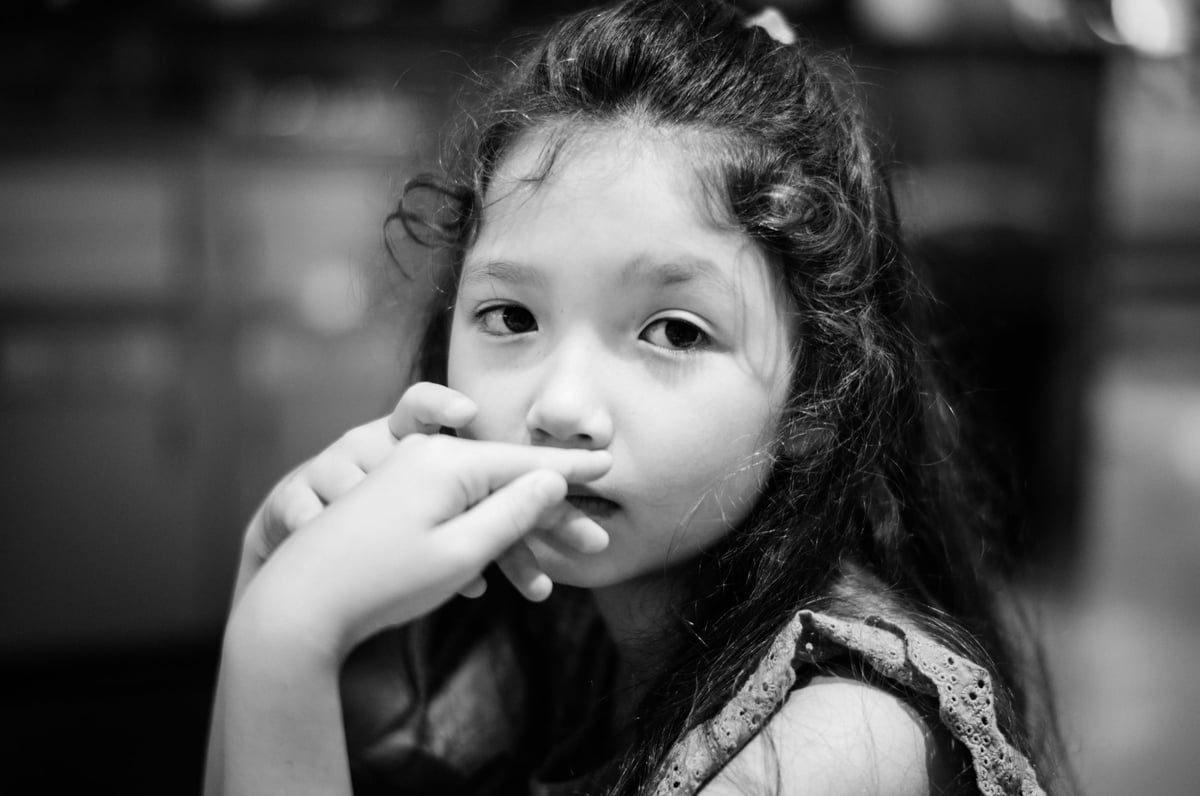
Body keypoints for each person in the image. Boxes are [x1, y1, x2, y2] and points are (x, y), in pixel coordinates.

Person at [204, 1, 1070, 793]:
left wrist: (284, 644)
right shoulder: (557, 637)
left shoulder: (844, 742)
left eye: (676, 332)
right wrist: (270, 580)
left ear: (817, 401)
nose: (563, 405)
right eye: (511, 316)